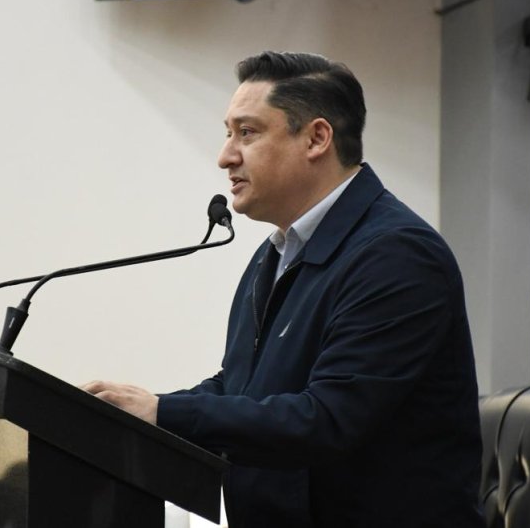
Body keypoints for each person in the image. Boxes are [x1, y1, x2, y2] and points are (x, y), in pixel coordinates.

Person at [84, 51, 484, 527]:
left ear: (316, 138)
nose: (225, 156)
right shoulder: (276, 252)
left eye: (247, 132)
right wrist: (136, 413)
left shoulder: (397, 254)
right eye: (228, 133)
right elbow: (241, 387)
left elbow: (327, 419)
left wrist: (164, 413)